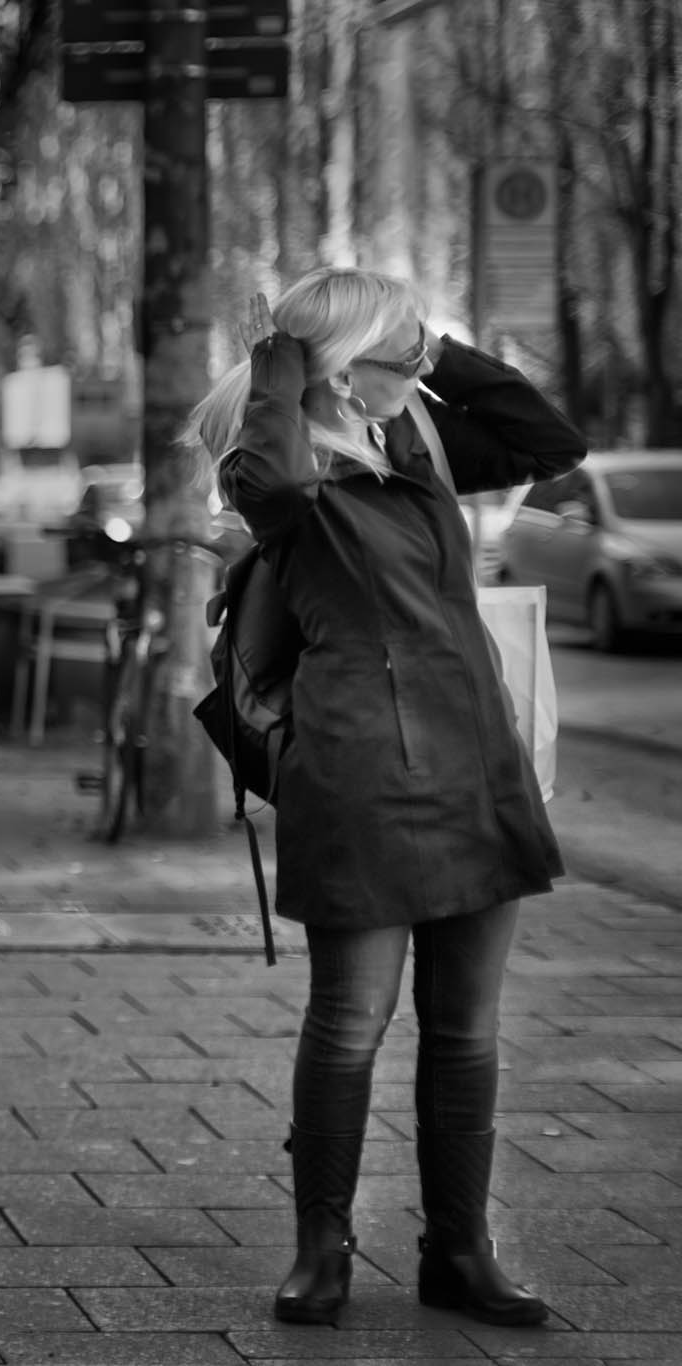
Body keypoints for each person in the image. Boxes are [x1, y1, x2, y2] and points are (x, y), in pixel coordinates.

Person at [183, 266, 586, 1328]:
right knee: (349, 1020)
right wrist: (281, 349)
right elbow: (263, 472)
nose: (413, 368)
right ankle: (321, 1252)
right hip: (359, 766)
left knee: (464, 1028)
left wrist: (434, 350)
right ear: (328, 368)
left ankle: (458, 1250)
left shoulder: (423, 439)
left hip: (475, 758)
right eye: (392, 352)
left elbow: (550, 444)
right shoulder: (280, 473)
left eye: (417, 353)